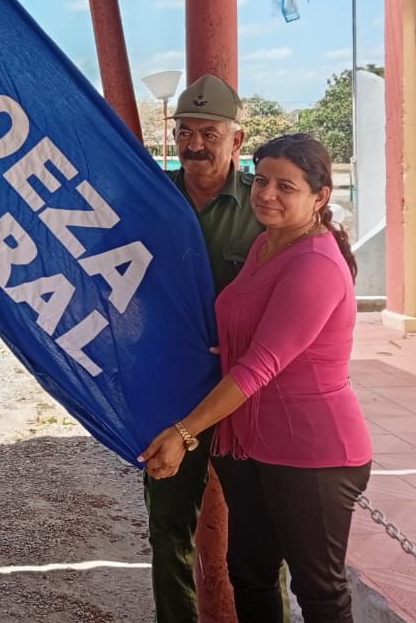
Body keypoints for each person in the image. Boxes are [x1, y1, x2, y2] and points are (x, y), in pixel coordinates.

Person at [140, 133, 371, 623]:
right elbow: (249, 327)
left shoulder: (315, 263)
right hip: (250, 447)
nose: (266, 195)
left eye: (286, 186)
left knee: (319, 592)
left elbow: (260, 365)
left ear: (319, 196)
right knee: (250, 574)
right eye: (261, 180)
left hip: (310, 453)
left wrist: (184, 432)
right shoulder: (266, 243)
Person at [144, 75, 268, 623]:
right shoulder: (150, 198)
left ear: (236, 140)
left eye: (209, 134)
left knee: (258, 538)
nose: (194, 144)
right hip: (170, 391)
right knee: (168, 530)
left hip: (243, 392)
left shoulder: (262, 206)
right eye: (185, 132)